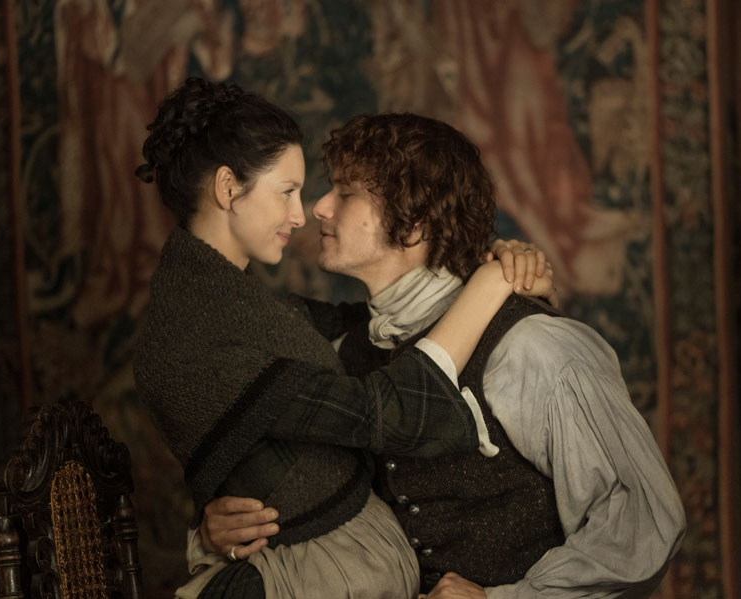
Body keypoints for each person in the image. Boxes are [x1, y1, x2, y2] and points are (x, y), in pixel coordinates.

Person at [201, 113, 687, 598]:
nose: (319, 208)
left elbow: (644, 525)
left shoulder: (533, 347)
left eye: (346, 193)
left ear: (414, 225)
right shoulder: (345, 348)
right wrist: (217, 536)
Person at [133, 79, 553, 599]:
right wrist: (490, 286)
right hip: (308, 578)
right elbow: (395, 414)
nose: (302, 211)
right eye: (287, 191)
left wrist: (495, 266)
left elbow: (376, 322)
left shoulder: (224, 300)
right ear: (227, 188)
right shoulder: (200, 329)